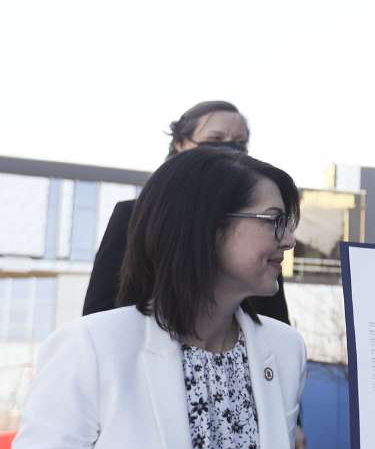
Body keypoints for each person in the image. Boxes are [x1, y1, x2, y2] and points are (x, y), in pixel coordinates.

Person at [5, 148, 375, 449]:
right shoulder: (90, 348)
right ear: (207, 226)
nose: (289, 240)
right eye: (274, 220)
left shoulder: (284, 349)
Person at [84, 100, 290, 324]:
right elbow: (98, 315)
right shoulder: (134, 216)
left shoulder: (259, 228)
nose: (230, 149)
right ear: (180, 144)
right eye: (215, 140)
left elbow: (275, 319)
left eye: (240, 143)